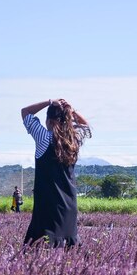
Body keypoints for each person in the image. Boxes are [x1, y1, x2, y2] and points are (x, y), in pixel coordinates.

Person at [21, 98, 91, 247]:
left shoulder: (43, 137)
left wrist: (49, 101)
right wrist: (71, 111)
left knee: (40, 249)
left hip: (47, 205)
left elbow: (25, 112)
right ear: (66, 120)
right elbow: (85, 125)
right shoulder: (72, 141)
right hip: (69, 206)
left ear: (48, 120)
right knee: (68, 251)